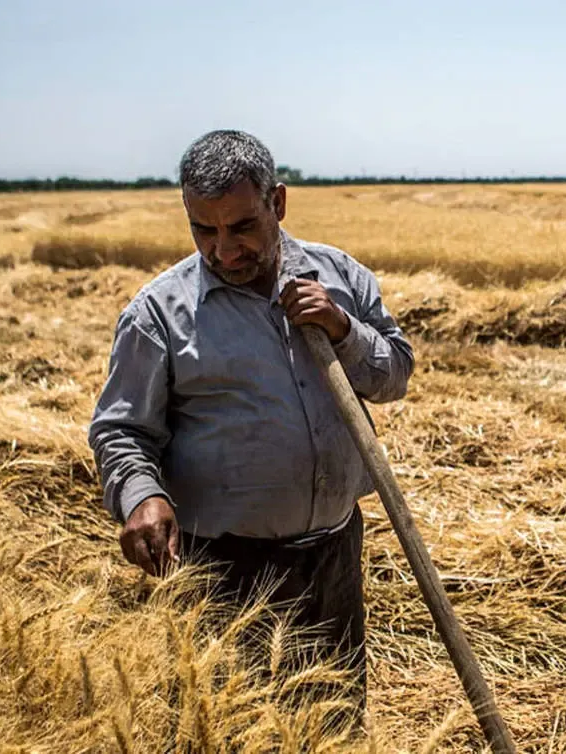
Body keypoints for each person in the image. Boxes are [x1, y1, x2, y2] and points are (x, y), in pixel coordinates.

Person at [88, 130, 414, 718]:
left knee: (332, 719)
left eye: (241, 227)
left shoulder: (340, 278)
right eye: (203, 230)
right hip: (223, 569)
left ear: (278, 203)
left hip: (334, 553)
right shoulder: (159, 314)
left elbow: (393, 376)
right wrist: (142, 496)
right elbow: (122, 430)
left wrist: (344, 329)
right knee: (227, 725)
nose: (223, 250)